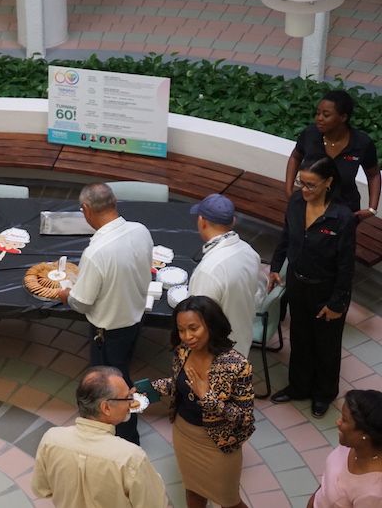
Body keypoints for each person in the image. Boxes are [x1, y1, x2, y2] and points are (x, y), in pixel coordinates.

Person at [59, 182, 153, 444]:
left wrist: (66, 295)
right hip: (135, 318)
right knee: (122, 371)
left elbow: (82, 302)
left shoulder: (96, 253)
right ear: (114, 202)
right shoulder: (141, 230)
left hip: (107, 331)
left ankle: (126, 437)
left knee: (112, 385)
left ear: (86, 209)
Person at [269, 156, 356, 418]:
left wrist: (337, 304)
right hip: (298, 282)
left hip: (326, 290)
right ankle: (298, 387)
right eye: (301, 183)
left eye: (311, 185)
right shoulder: (296, 203)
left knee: (326, 345)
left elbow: (346, 266)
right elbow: (286, 237)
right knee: (300, 337)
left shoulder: (342, 218)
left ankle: (323, 394)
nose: (304, 190)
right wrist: (275, 267)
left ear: (328, 182)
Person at [150, 296, 255, 508]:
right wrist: (147, 389)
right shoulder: (183, 351)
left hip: (218, 444)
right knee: (193, 491)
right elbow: (177, 384)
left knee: (230, 501)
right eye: (181, 330)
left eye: (193, 328)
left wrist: (208, 398)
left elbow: (244, 418)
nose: (187, 336)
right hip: (184, 435)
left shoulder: (236, 365)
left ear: (211, 325)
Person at [31, 366, 167, 508]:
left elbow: (41, 489)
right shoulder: (131, 457)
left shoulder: (51, 439)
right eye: (127, 397)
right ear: (106, 408)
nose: (131, 403)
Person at [188, 193, 264, 358]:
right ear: (233, 221)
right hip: (241, 340)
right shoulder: (250, 252)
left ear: (202, 221)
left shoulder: (209, 271)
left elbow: (196, 322)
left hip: (215, 353)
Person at [284, 90, 379, 220]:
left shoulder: (361, 143)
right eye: (318, 113)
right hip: (307, 207)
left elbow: (373, 175)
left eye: (326, 115)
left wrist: (372, 208)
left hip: (344, 211)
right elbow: (295, 157)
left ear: (343, 117)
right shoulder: (310, 134)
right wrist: (288, 190)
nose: (319, 118)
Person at [308, 389, 382, 508]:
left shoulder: (373, 495)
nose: (337, 422)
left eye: (344, 419)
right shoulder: (351, 445)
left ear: (365, 435)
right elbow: (328, 480)